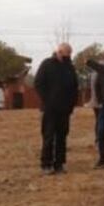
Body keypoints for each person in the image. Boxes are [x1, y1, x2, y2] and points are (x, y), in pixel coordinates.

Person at [34, 43, 79, 174]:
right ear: (59, 52)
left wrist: (71, 105)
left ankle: (59, 164)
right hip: (50, 109)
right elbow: (38, 83)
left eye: (70, 54)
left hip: (65, 109)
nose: (69, 57)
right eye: (67, 54)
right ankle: (46, 164)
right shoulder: (47, 64)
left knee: (62, 137)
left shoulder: (70, 67)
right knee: (48, 136)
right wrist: (47, 100)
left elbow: (74, 87)